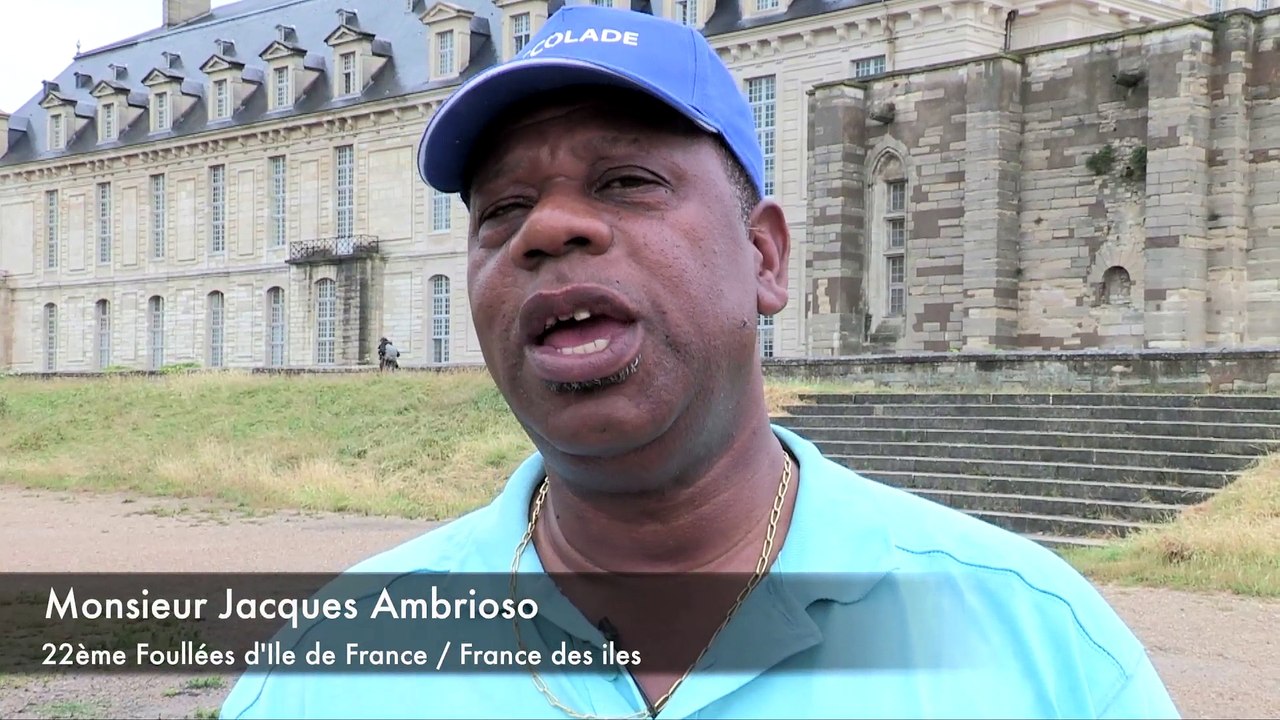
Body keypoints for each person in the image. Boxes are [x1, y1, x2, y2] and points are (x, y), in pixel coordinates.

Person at [221, 6, 1180, 719]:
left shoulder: (1040, 642)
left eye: (627, 182)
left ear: (765, 257)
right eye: (500, 212)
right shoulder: (327, 666)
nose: (547, 229)